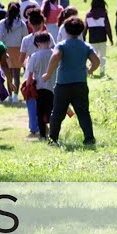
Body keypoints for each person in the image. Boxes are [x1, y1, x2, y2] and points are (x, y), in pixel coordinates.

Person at [43, 16, 100, 147]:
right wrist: (90, 70)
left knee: (57, 113)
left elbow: (55, 56)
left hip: (63, 84)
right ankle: (89, 139)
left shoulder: (62, 45)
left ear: (66, 30)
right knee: (83, 112)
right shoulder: (85, 46)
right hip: (80, 83)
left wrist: (48, 73)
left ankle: (53, 139)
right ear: (81, 30)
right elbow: (96, 61)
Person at [19, 9, 56, 137]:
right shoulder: (49, 37)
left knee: (32, 104)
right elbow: (55, 54)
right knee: (49, 105)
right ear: (42, 22)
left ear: (29, 23)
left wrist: (29, 64)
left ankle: (34, 128)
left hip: (32, 74)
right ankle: (48, 128)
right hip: (50, 75)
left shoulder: (26, 40)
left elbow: (21, 60)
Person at [25, 32, 56, 140]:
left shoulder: (34, 56)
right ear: (49, 41)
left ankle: (42, 135)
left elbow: (30, 75)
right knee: (52, 111)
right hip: (54, 87)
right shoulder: (55, 54)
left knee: (40, 112)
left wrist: (28, 86)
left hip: (40, 88)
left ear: (37, 43)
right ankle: (53, 134)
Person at [0, 2, 28, 104]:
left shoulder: (2, 23)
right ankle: (15, 96)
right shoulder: (22, 24)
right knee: (17, 75)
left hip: (6, 50)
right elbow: (25, 36)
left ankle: (9, 95)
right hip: (18, 49)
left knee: (8, 74)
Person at [83, 0, 113, 75]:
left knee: (92, 56)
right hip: (102, 39)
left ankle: (90, 71)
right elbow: (108, 28)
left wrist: (83, 37)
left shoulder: (88, 15)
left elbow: (85, 28)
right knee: (102, 56)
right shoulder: (104, 13)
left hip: (92, 39)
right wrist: (111, 39)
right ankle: (102, 72)